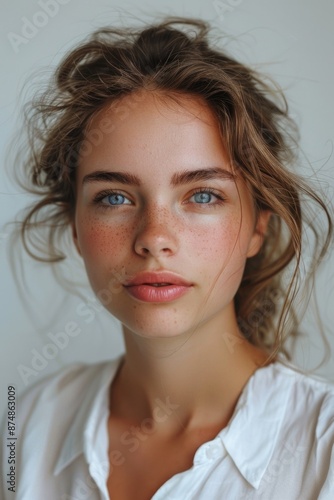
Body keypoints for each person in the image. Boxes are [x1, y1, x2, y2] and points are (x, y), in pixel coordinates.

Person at [1, 16, 333, 500]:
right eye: (114, 197)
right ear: (74, 226)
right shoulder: (23, 422)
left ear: (258, 226)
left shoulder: (321, 450)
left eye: (202, 196)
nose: (154, 238)